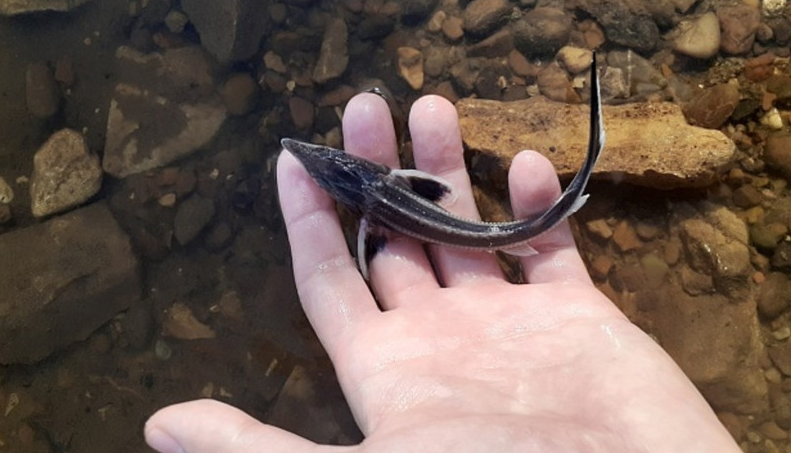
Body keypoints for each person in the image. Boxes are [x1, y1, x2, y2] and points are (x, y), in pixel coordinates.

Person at [145, 93, 742, 453]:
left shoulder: (373, 209)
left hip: (440, 219)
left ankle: (580, 177)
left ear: (345, 176)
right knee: (514, 226)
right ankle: (577, 180)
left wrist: (368, 251)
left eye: (330, 168)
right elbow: (417, 191)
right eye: (329, 168)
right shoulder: (380, 192)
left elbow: (387, 221)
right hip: (439, 214)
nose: (322, 164)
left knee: (515, 225)